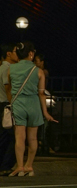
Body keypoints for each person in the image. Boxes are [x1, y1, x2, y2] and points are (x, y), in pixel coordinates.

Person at [8, 42, 57, 176]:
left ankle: (20, 166)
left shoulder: (11, 69)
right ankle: (29, 165)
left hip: (18, 103)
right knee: (33, 138)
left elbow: (10, 87)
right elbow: (41, 93)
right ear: (30, 54)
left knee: (19, 137)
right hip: (34, 104)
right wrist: (45, 113)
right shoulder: (39, 71)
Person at [0, 44, 18, 175]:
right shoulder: (7, 68)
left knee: (4, 136)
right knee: (12, 136)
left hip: (2, 104)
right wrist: (13, 104)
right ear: (8, 54)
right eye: (15, 51)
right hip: (6, 105)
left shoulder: (2, 67)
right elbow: (8, 88)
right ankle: (5, 165)